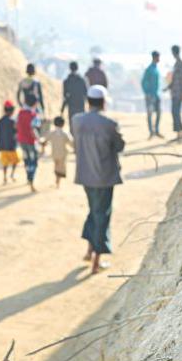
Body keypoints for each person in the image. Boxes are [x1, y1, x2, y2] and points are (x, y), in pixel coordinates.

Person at [72, 84, 125, 274]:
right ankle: (96, 261)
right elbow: (119, 146)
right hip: (104, 177)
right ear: (103, 102)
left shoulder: (77, 120)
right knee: (102, 215)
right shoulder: (109, 124)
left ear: (88, 101)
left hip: (85, 176)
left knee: (94, 210)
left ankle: (89, 250)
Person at [165, 44, 182, 142]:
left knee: (176, 113)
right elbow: (175, 80)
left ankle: (181, 134)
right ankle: (179, 134)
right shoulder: (177, 64)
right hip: (175, 93)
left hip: (179, 94)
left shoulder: (180, 64)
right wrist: (168, 87)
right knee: (175, 113)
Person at [16, 94, 42, 192]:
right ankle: (31, 179)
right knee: (33, 161)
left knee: (26, 159)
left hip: (21, 140)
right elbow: (34, 130)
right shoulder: (34, 115)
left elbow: (16, 125)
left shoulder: (20, 113)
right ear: (35, 103)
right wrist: (39, 140)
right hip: (31, 141)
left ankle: (28, 177)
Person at [41, 115, 73, 188]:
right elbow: (71, 142)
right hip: (63, 154)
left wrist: (43, 148)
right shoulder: (65, 133)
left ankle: (57, 181)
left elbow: (45, 140)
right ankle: (57, 182)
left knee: (56, 166)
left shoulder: (52, 133)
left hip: (54, 153)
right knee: (61, 168)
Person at [61, 61, 87, 136]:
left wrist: (62, 108)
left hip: (71, 106)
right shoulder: (82, 80)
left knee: (72, 126)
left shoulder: (67, 81)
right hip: (81, 105)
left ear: (70, 68)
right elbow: (85, 94)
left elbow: (65, 96)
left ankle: (74, 141)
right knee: (81, 125)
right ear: (77, 68)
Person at [0, 100, 19, 184]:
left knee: (5, 163)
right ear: (12, 111)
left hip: (3, 146)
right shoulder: (13, 122)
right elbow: (17, 132)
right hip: (12, 146)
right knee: (15, 161)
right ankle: (12, 174)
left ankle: (5, 177)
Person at [141, 50, 163, 138]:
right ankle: (151, 132)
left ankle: (156, 130)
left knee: (159, 113)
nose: (159, 59)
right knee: (150, 114)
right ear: (155, 57)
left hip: (157, 95)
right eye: (158, 57)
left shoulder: (156, 69)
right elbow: (143, 82)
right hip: (150, 95)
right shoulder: (149, 69)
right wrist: (147, 92)